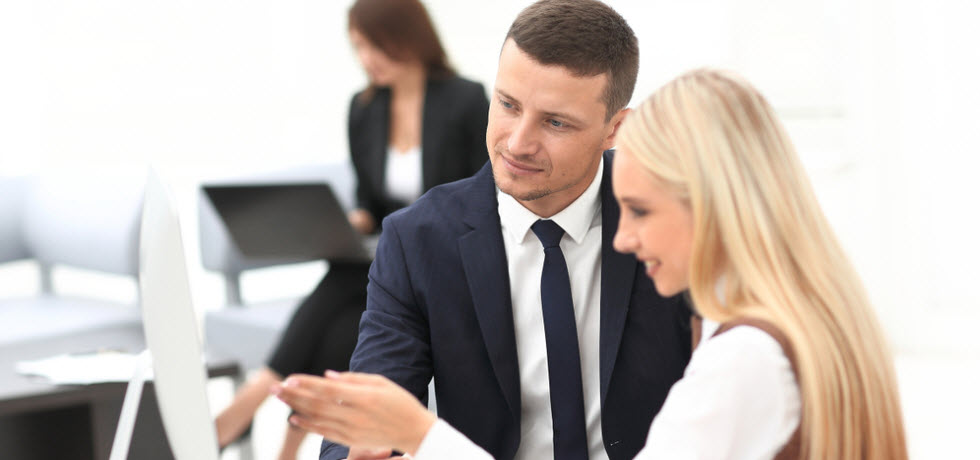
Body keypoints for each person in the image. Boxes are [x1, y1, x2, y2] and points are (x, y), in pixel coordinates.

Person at [274, 69, 911, 459]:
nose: (624, 237)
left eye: (639, 209)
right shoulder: (813, 320)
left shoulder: (742, 358)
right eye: (507, 104)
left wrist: (420, 434)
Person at [276, 1, 694, 459]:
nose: (517, 143)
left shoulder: (676, 215)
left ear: (614, 128)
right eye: (508, 105)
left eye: (555, 122)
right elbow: (365, 417)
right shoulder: (417, 240)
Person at [214, 0, 489, 458]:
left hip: (444, 251)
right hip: (380, 255)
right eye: (358, 47)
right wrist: (347, 223)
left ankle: (257, 396)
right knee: (348, 323)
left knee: (347, 300)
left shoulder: (465, 99)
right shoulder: (364, 109)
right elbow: (370, 201)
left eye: (374, 45)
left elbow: (479, 192)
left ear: (408, 36)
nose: (367, 59)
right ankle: (283, 434)